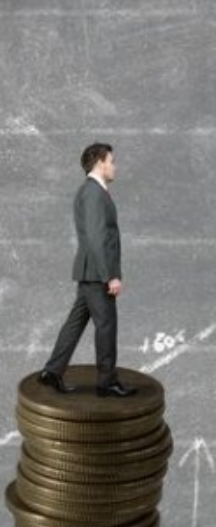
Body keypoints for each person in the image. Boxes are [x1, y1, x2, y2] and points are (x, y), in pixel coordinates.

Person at [39, 143, 137, 397]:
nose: (114, 166)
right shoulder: (94, 193)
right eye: (111, 161)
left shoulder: (91, 191)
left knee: (76, 321)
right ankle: (107, 382)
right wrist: (110, 276)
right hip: (97, 273)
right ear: (99, 162)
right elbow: (96, 237)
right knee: (106, 325)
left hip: (89, 271)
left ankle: (52, 370)